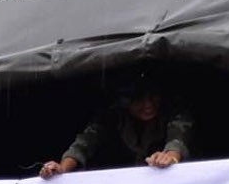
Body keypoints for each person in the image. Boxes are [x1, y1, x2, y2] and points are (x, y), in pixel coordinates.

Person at [41, 73, 192, 177]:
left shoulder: (173, 110)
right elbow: (83, 145)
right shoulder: (110, 116)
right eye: (138, 99)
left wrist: (169, 158)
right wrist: (62, 169)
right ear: (124, 101)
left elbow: (178, 139)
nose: (148, 105)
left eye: (153, 96)